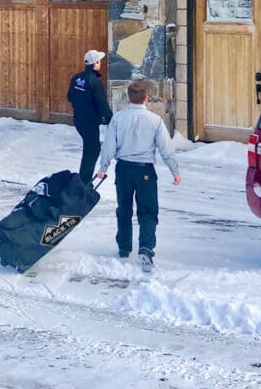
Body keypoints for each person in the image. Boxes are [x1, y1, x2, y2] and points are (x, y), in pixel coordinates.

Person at [96, 81, 181, 271]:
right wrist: (175, 171)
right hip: (145, 171)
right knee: (148, 211)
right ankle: (146, 249)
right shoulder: (155, 120)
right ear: (146, 99)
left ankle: (124, 247)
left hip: (123, 169)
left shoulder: (118, 118)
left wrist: (103, 167)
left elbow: (109, 145)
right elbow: (166, 149)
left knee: (124, 208)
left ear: (129, 97)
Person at [67, 49, 113, 184]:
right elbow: (102, 104)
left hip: (79, 119)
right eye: (99, 61)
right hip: (90, 122)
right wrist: (112, 120)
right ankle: (84, 182)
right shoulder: (95, 82)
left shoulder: (76, 78)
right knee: (92, 149)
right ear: (96, 63)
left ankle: (84, 179)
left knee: (90, 148)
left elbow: (70, 96)